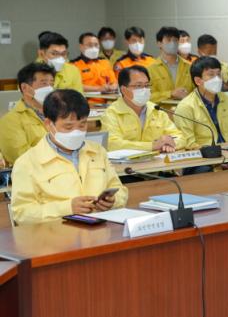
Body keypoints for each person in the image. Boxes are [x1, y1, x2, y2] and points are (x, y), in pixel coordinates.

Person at [10, 89, 127, 225]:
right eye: (68, 127)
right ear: (48, 124)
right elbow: (21, 213)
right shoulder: (28, 162)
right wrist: (67, 208)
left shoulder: (97, 151)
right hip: (56, 234)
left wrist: (113, 201)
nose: (76, 132)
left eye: (82, 125)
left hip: (99, 229)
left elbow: (119, 190)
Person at [174, 56, 228, 174]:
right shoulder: (186, 107)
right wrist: (217, 159)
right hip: (203, 159)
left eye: (219, 74)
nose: (217, 79)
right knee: (205, 171)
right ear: (198, 81)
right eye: (211, 75)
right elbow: (189, 144)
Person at [101, 65, 186, 152]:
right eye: (138, 85)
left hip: (157, 159)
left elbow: (180, 137)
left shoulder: (156, 110)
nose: (144, 90)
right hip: (127, 161)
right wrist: (152, 146)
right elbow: (112, 144)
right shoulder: (112, 113)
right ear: (124, 90)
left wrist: (170, 144)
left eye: (147, 85)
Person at [0, 63, 54, 164]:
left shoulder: (59, 113)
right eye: (44, 83)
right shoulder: (10, 120)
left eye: (51, 84)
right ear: (24, 87)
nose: (50, 88)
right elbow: (20, 157)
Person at [147, 26, 194, 102]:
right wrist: (170, 94)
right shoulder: (150, 69)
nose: (172, 43)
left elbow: (198, 92)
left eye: (175, 40)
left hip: (186, 108)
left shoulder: (190, 67)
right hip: (161, 109)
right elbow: (148, 96)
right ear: (159, 44)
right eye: (168, 40)